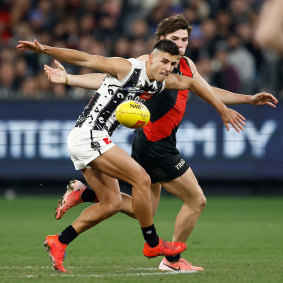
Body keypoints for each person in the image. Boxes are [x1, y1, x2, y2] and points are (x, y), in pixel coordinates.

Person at [41, 14, 277, 272]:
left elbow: (204, 89)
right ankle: (169, 257)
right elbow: (107, 76)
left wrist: (248, 98)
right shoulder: (148, 64)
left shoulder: (184, 65)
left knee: (136, 209)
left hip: (155, 142)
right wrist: (68, 79)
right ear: (161, 42)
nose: (181, 44)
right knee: (195, 199)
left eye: (185, 39)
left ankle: (80, 202)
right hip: (153, 143)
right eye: (174, 39)